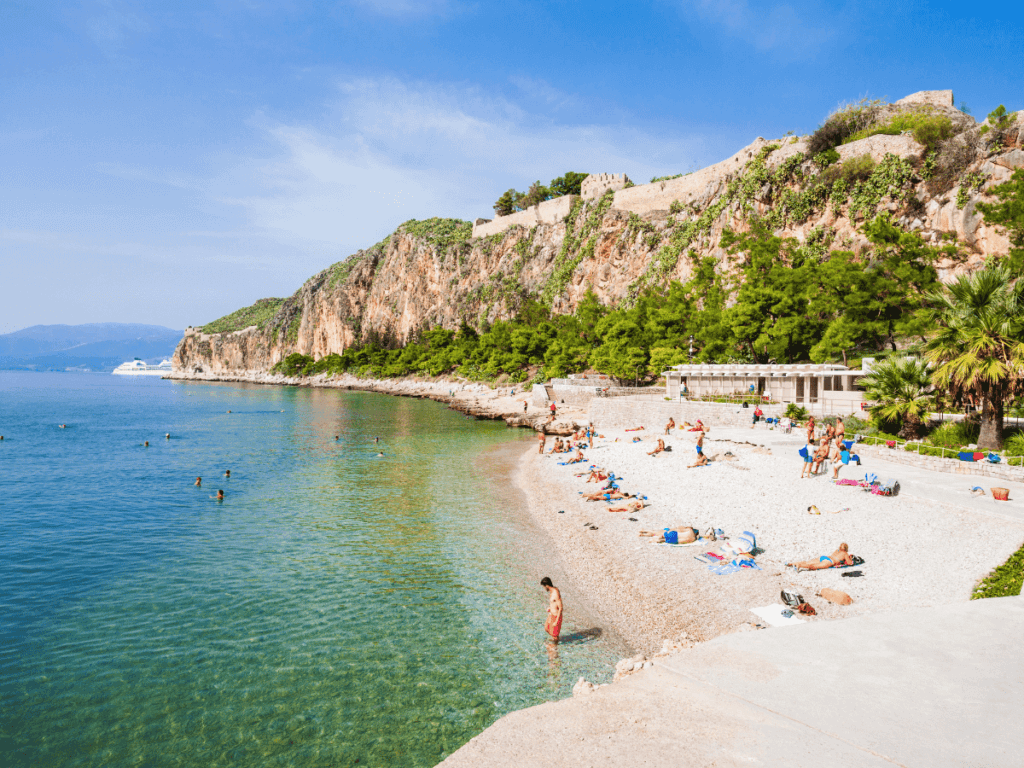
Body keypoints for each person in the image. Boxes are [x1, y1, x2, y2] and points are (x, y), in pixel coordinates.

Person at [786, 543, 855, 572]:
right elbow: (849, 563)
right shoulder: (845, 553)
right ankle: (799, 565)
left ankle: (792, 563)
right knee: (813, 566)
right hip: (829, 561)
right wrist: (850, 558)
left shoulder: (837, 551)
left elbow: (834, 556)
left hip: (824, 557)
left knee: (808, 562)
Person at [541, 577, 562, 644]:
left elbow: (561, 608)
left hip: (556, 616)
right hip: (551, 614)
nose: (544, 588)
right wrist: (550, 608)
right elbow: (554, 603)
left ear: (547, 585)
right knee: (546, 628)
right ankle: (555, 640)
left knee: (554, 636)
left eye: (544, 587)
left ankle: (555, 648)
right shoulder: (552, 591)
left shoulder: (555, 593)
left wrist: (556, 621)